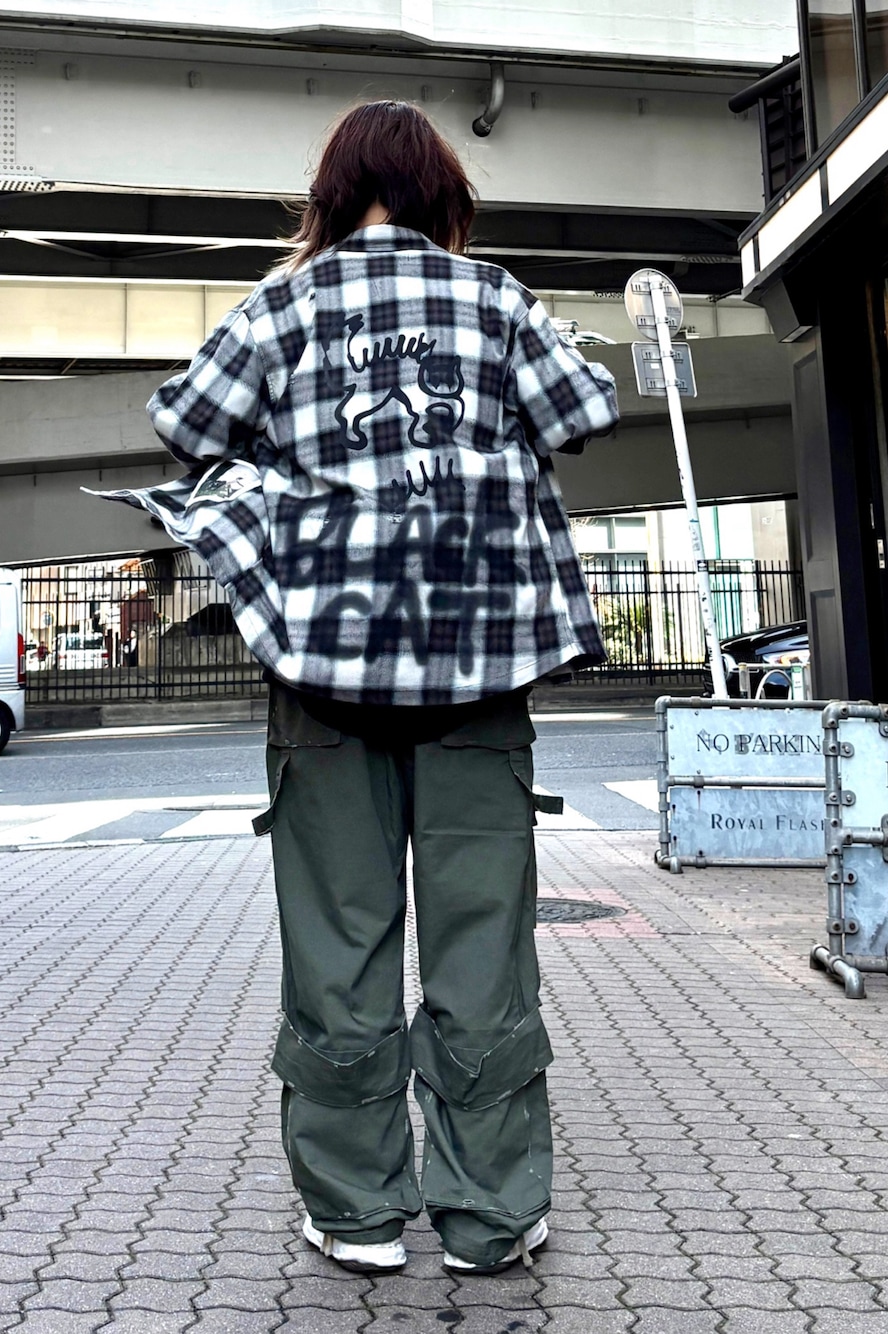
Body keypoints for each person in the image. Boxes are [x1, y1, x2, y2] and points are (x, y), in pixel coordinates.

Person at [144, 100, 619, 1275]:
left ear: (329, 193)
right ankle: (488, 1216)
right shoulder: (493, 297)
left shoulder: (281, 308)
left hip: (323, 678)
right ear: (443, 195)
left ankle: (356, 1213)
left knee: (337, 945)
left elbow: (182, 421)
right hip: (475, 674)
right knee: (482, 947)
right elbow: (586, 408)